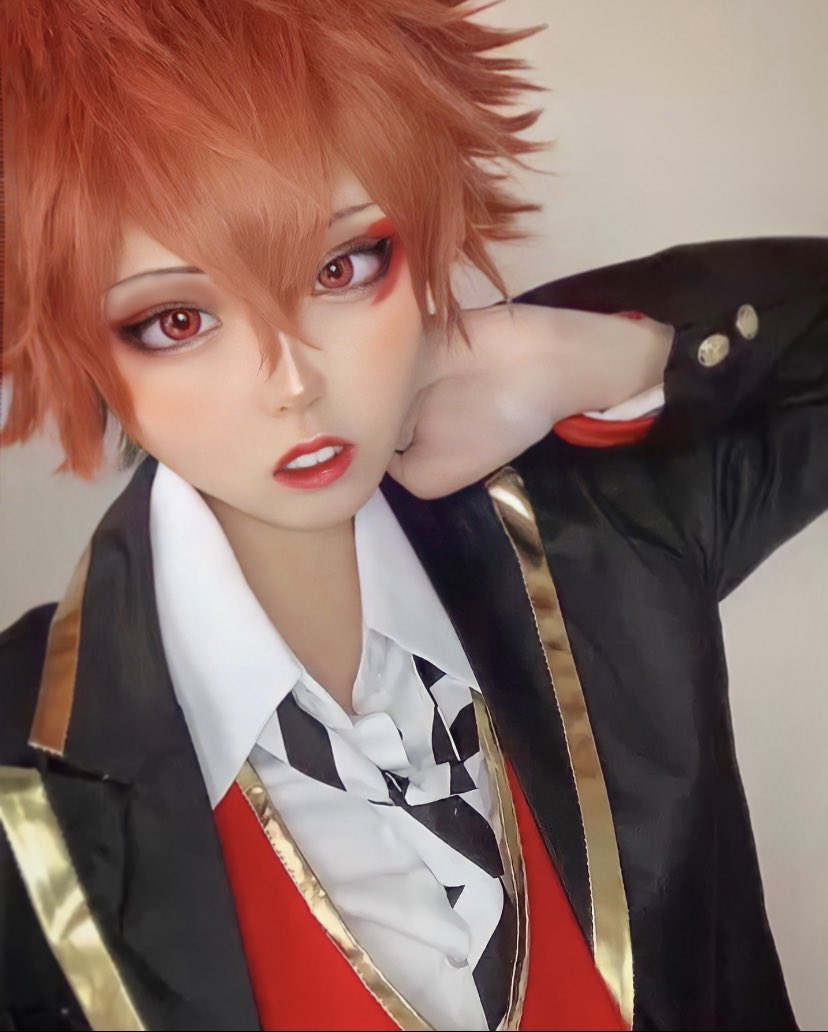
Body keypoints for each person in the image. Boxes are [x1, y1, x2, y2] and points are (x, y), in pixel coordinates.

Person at [1, 2, 826, 1030]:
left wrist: (593, 350)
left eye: (341, 268)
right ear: (74, 339)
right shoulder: (22, 780)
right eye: (177, 320)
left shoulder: (596, 526)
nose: (292, 382)